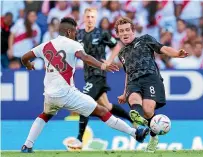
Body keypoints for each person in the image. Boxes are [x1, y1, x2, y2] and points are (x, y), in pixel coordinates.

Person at [20, 17, 149, 153]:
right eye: (75, 32)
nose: (76, 35)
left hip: (50, 95)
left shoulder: (45, 45)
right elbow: (85, 57)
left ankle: (27, 145)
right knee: (102, 111)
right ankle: (135, 134)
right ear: (69, 31)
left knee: (45, 115)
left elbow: (24, 58)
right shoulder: (72, 44)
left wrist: (29, 65)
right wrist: (102, 65)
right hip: (66, 93)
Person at [108, 17, 189, 152]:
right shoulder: (121, 53)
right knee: (133, 99)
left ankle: (152, 134)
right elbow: (127, 72)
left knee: (148, 110)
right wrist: (124, 92)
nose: (125, 33)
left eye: (127, 29)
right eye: (121, 31)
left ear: (133, 31)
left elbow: (162, 48)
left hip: (150, 78)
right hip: (133, 82)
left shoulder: (145, 39)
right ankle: (139, 122)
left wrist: (176, 54)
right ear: (118, 34)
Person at [69, 8, 134, 149]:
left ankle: (79, 139)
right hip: (88, 75)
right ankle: (132, 120)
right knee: (107, 106)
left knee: (84, 102)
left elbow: (117, 45)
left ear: (96, 18)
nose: (90, 19)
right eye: (88, 16)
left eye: (93, 16)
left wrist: (109, 61)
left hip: (98, 75)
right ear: (83, 17)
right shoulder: (78, 35)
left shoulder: (102, 33)